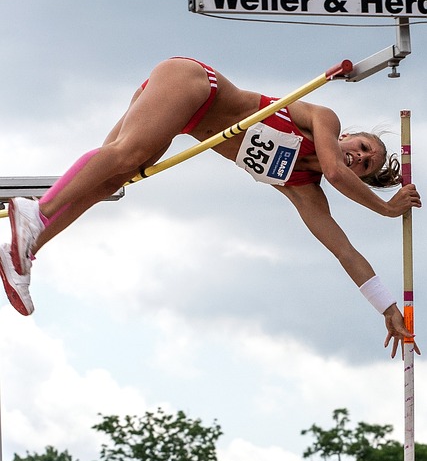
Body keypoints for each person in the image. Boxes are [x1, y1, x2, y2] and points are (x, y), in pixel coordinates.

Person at [0, 56, 421, 357]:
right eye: (364, 147)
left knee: (111, 179)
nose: (360, 157)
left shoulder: (302, 188)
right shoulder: (321, 117)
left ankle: (24, 250)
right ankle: (35, 214)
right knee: (127, 155)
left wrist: (387, 308)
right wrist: (386, 209)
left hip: (182, 116)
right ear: (351, 135)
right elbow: (334, 170)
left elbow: (344, 251)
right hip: (195, 82)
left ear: (364, 177)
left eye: (368, 166)